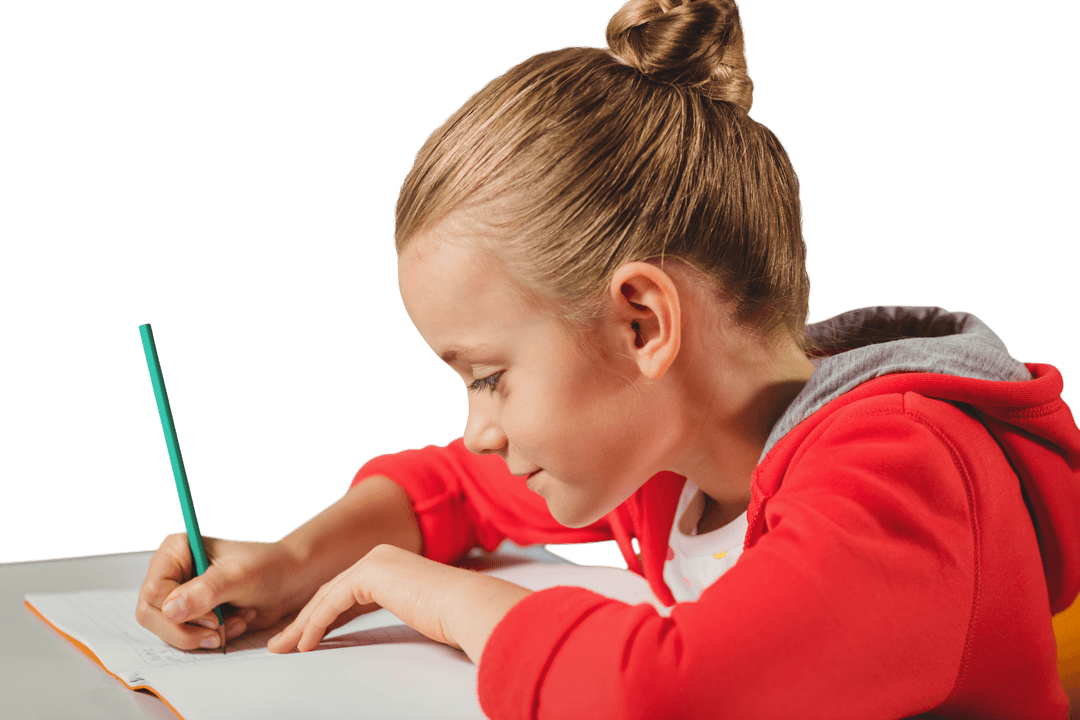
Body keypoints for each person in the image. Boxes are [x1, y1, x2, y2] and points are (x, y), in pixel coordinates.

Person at [134, 0, 1080, 717]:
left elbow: (668, 695)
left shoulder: (903, 475)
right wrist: (298, 560)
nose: (481, 428)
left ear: (640, 323)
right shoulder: (665, 462)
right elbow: (453, 488)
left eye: (489, 376)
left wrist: (444, 599)